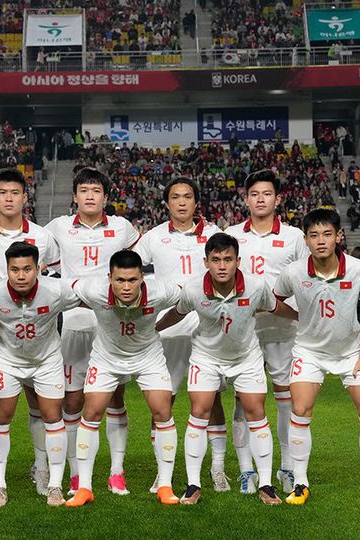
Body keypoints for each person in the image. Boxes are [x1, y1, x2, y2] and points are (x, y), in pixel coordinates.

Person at [157, 233, 297, 505]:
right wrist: (154, 329)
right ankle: (193, 483)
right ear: (206, 261)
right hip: (206, 357)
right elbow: (178, 312)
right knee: (199, 411)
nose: (222, 265)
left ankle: (266, 484)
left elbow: (276, 306)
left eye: (228, 259)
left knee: (256, 412)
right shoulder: (194, 288)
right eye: (216, 259)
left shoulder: (256, 286)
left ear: (238, 261)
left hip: (246, 358)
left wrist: (302, 318)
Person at [273, 208, 360, 505]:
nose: (321, 241)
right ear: (306, 240)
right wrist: (298, 318)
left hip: (350, 352)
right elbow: (275, 300)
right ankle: (300, 484)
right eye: (314, 235)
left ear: (338, 236)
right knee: (300, 409)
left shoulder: (357, 269)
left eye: (327, 234)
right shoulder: (294, 272)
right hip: (309, 351)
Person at [44, 167, 141, 496]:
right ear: (74, 196)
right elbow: (26, 245)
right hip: (73, 322)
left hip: (111, 324)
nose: (89, 195)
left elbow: (141, 261)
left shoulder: (121, 228)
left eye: (96, 190)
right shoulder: (57, 228)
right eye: (83, 190)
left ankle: (117, 471)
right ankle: (75, 472)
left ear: (106, 196)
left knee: (114, 397)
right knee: (72, 401)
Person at [133, 177, 230, 493]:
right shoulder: (153, 237)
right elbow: (129, 265)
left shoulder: (215, 234)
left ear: (196, 201)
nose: (182, 202)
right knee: (163, 401)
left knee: (211, 398)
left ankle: (217, 470)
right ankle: (163, 473)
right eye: (175, 197)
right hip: (169, 331)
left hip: (208, 330)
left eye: (188, 196)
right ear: (167, 203)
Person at [65, 250, 182, 507]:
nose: (126, 286)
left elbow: (190, 295)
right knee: (92, 412)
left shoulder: (161, 291)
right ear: (109, 278)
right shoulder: (93, 289)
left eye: (132, 280)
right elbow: (63, 288)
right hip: (106, 358)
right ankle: (84, 487)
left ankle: (165, 485)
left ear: (143, 277)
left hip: (148, 355)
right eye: (119, 280)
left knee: (163, 411)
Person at [0, 168, 59, 496]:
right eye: (2, 192)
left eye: (15, 193)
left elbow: (51, 276)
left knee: (38, 398)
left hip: (30, 326)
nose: (9, 198)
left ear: (25, 197)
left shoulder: (42, 237)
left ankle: (41, 466)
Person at [0, 242, 81, 507]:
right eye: (15, 269)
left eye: (27, 269)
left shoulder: (56, 291)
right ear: (7, 270)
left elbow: (92, 295)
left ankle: (54, 483)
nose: (21, 275)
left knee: (53, 417)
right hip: (7, 361)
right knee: (1, 418)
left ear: (38, 268)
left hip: (47, 361)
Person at [225, 169, 308, 495]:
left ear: (277, 199)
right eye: (255, 194)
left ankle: (287, 465)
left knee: (286, 400)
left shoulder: (293, 236)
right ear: (246, 199)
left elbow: (304, 279)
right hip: (241, 332)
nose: (260, 199)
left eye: (267, 194)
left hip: (282, 329)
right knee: (244, 401)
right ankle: (247, 470)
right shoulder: (231, 234)